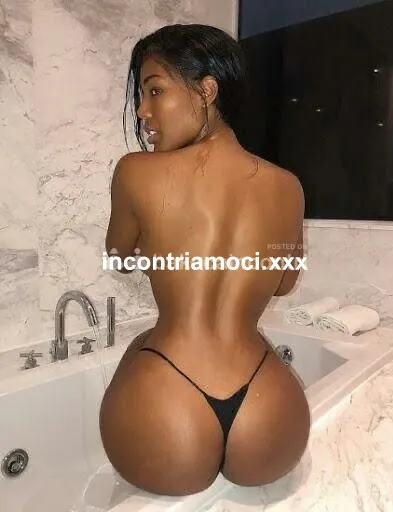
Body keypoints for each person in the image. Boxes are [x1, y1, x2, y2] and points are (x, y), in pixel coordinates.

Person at [99, 23, 310, 497]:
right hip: (270, 410)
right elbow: (283, 283)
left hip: (168, 403)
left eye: (155, 90)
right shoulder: (288, 186)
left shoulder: (135, 172)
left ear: (207, 90)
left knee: (141, 344)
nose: (143, 110)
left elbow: (117, 258)